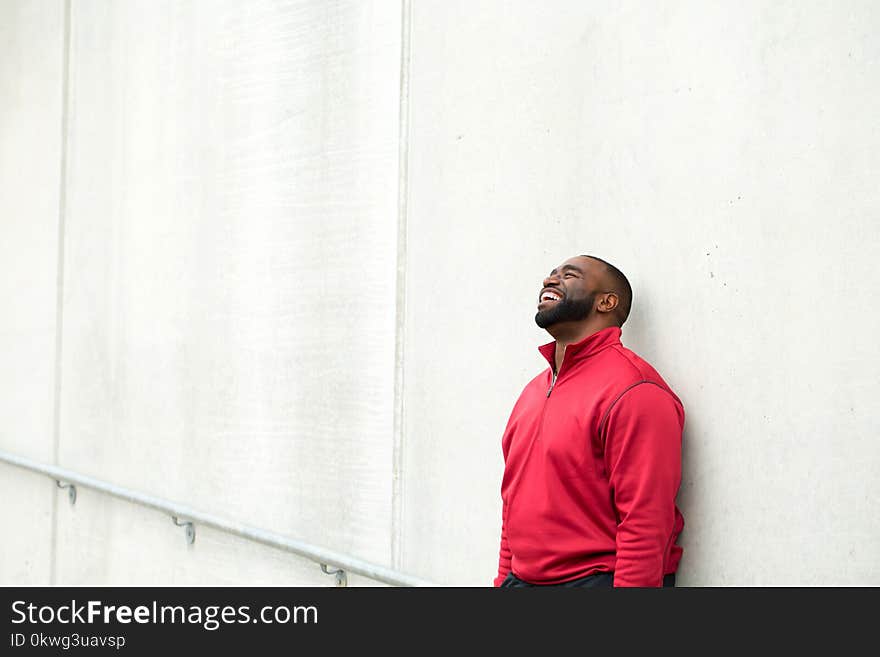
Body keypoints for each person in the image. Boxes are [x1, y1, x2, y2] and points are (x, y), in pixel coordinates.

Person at [494, 254, 685, 588]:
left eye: (570, 275)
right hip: (521, 582)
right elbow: (512, 506)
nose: (549, 280)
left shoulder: (634, 389)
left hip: (595, 582)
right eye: (551, 274)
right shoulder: (531, 393)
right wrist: (502, 580)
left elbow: (646, 519)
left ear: (607, 302)